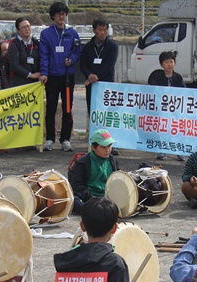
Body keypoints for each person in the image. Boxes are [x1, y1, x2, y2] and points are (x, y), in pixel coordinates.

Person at [40, 2, 82, 152]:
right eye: (58, 14)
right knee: (51, 108)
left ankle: (65, 139)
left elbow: (78, 51)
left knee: (67, 109)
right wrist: (44, 73)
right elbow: (43, 55)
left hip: (67, 78)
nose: (61, 16)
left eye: (64, 13)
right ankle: (50, 139)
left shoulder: (72, 33)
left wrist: (72, 60)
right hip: (52, 77)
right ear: (53, 16)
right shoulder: (46, 34)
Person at [80, 18, 120, 155]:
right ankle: (96, 144)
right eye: (100, 29)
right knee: (94, 114)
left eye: (105, 30)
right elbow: (83, 65)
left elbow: (109, 65)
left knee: (108, 115)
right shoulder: (87, 47)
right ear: (94, 30)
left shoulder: (112, 46)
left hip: (106, 85)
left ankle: (110, 144)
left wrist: (94, 77)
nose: (103, 32)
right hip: (92, 86)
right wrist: (89, 75)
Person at [68, 129, 119, 214]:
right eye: (103, 147)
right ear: (93, 147)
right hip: (88, 198)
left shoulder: (113, 160)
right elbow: (77, 186)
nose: (108, 150)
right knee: (74, 200)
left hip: (107, 198)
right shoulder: (82, 163)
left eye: (109, 145)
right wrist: (93, 199)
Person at [149, 51, 185, 161]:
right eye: (166, 62)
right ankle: (163, 150)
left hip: (176, 109)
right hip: (162, 109)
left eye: (171, 61)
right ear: (161, 64)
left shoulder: (178, 77)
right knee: (163, 129)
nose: (169, 64)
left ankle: (178, 150)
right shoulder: (158, 77)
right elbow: (153, 90)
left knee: (177, 128)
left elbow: (184, 91)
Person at [7, 18, 42, 87]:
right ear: (18, 30)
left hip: (35, 82)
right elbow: (15, 66)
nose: (27, 29)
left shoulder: (35, 42)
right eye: (23, 27)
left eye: (28, 26)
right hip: (20, 83)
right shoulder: (14, 45)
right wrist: (30, 75)